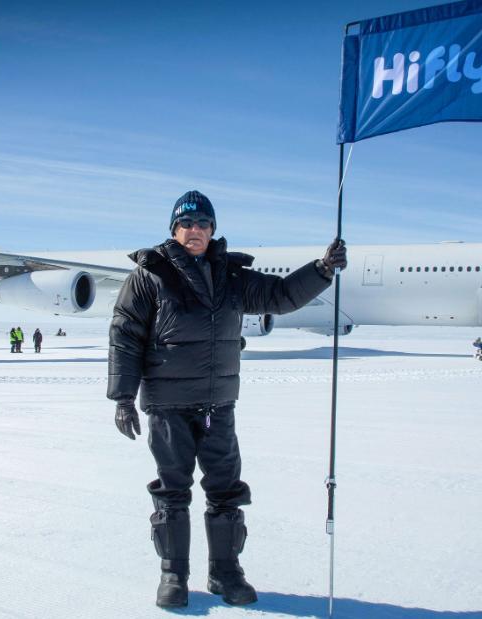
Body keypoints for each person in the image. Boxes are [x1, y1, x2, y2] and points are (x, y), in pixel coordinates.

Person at [107, 190, 347, 609]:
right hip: (168, 405)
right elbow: (125, 335)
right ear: (173, 229)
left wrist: (322, 270)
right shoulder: (150, 275)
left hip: (218, 405)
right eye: (186, 223)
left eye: (203, 223)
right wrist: (123, 397)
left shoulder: (231, 275)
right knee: (172, 490)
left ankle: (226, 573)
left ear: (213, 230)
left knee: (225, 489)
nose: (194, 230)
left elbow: (281, 296)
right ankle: (173, 575)